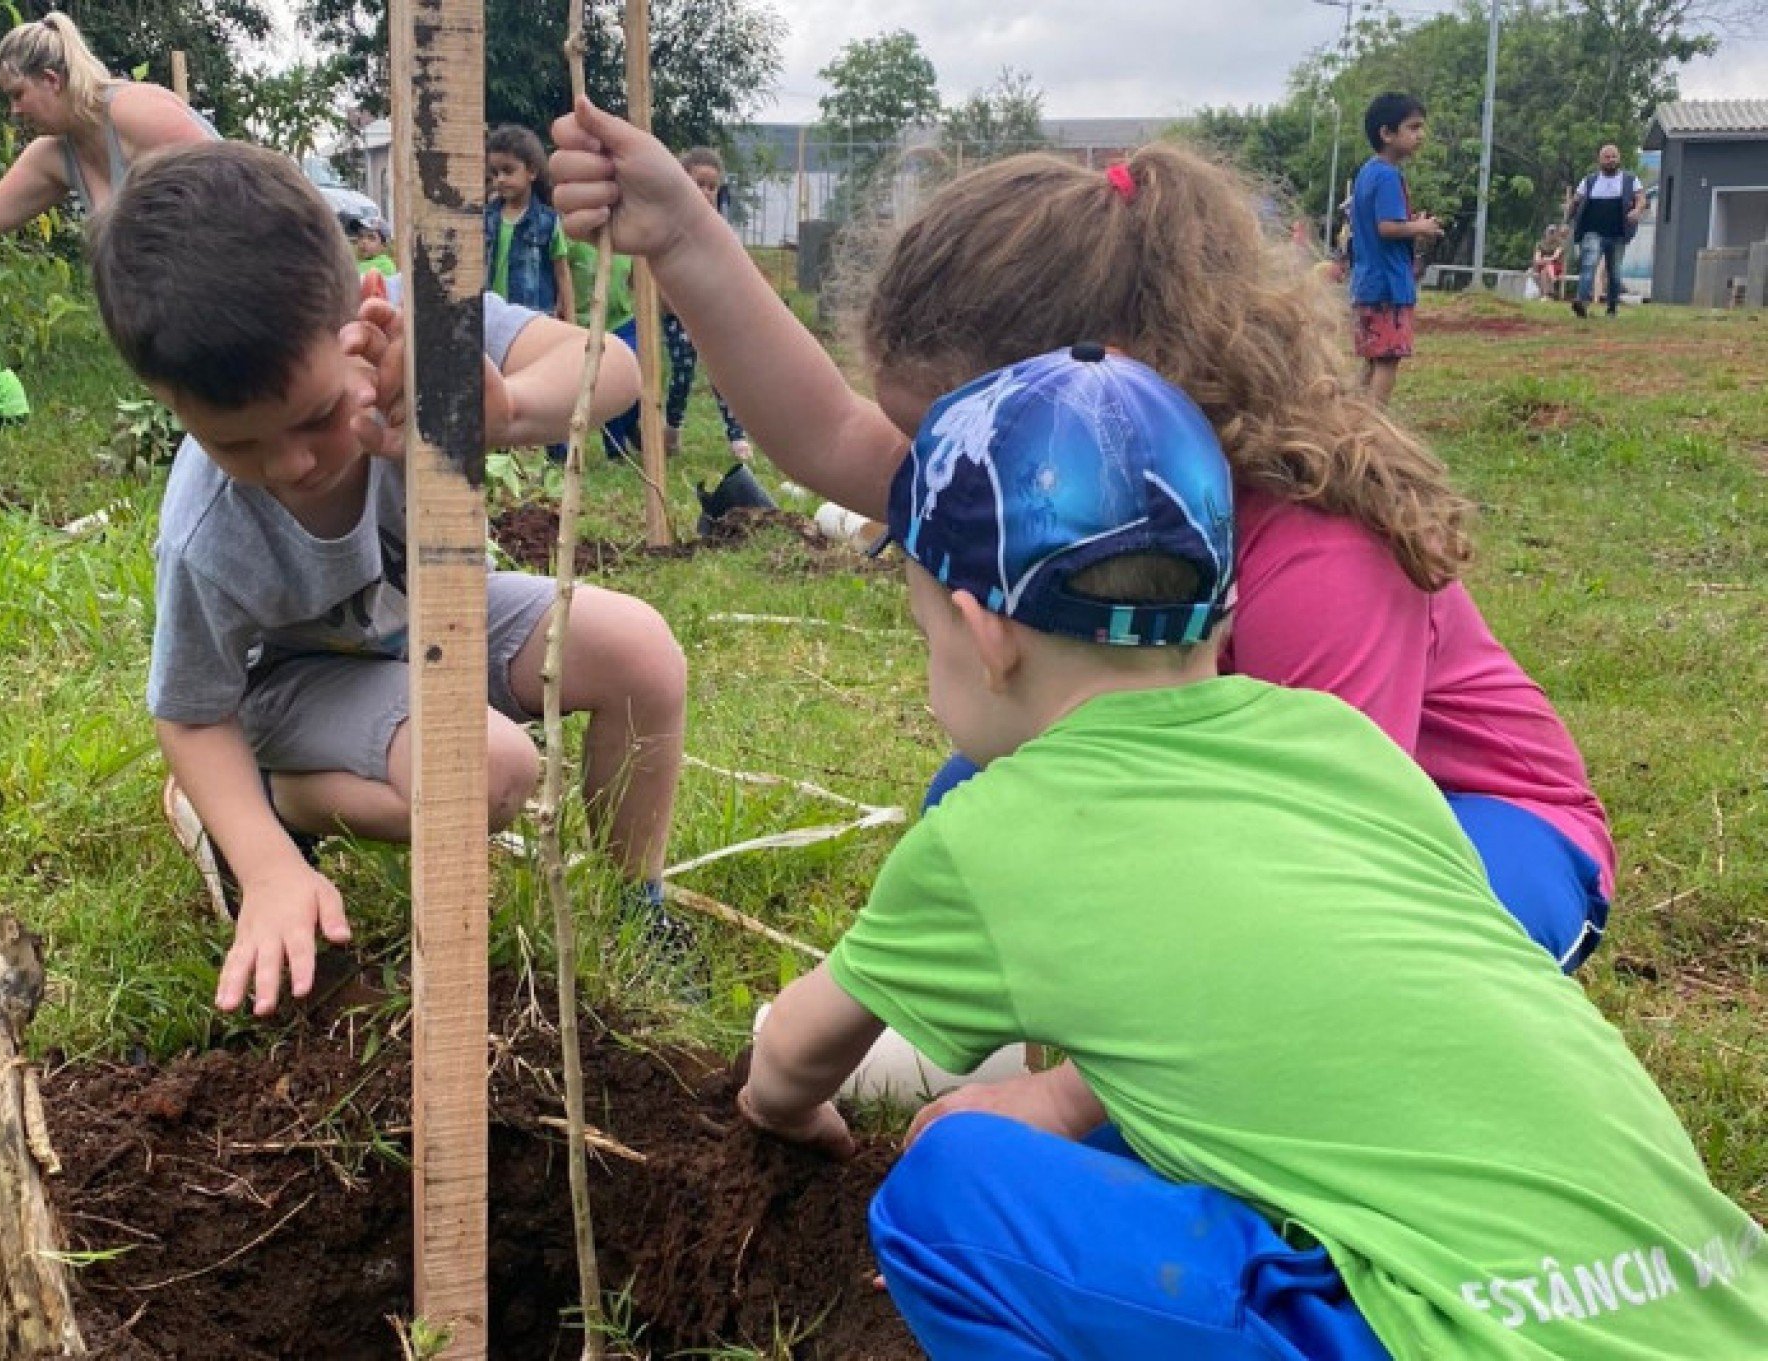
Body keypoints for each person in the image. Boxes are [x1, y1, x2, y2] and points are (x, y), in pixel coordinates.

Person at [731, 343, 1768, 1359]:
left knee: (950, 1187)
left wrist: (780, 1109)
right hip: (1719, 1301)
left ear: (983, 632)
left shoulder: (989, 833)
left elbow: (793, 1055)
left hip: (1457, 1334)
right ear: (1224, 606)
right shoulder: (1341, 743)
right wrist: (1055, 1098)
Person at [550, 108, 1614, 973]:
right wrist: (685, 235)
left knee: (1408, 971)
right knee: (970, 803)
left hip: (1456, 830)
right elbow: (827, 432)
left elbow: (1326, 867)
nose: (933, 477)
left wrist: (1075, 1094)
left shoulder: (1313, 556)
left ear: (1114, 384)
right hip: (1220, 804)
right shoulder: (1031, 478)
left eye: (948, 439)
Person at [88, 142, 684, 1016]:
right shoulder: (209, 530)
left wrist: (499, 406)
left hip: (442, 619)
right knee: (491, 769)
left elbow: (615, 372)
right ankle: (275, 804)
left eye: (318, 416)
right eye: (235, 442)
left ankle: (635, 907)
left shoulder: (425, 327)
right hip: (299, 687)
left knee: (641, 651)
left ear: (365, 311)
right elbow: (190, 708)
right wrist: (267, 867)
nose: (288, 462)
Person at [0, 13, 214, 276]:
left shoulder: (134, 111)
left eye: (18, 95)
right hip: (174, 314)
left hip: (234, 283)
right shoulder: (56, 155)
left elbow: (233, 186)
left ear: (51, 80)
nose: (14, 112)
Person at [1349, 92, 1442, 407]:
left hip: (1367, 282)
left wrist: (1410, 224)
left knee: (1372, 358)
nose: (1420, 135)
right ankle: (1374, 427)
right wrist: (1421, 228)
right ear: (1387, 134)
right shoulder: (1389, 175)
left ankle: (1351, 417)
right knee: (1388, 359)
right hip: (1389, 285)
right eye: (1413, 128)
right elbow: (1387, 227)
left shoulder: (1367, 172)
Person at [663, 148, 751, 462]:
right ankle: (671, 428)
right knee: (682, 374)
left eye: (712, 186)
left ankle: (737, 435)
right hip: (678, 314)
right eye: (698, 184)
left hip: (713, 312)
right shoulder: (669, 228)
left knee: (723, 374)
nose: (705, 192)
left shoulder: (721, 230)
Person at [485, 125, 573, 322]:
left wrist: (569, 317)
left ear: (531, 171)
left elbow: (562, 273)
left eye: (508, 171)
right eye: (495, 173)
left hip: (533, 319)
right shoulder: (486, 218)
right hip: (492, 316)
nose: (500, 179)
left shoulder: (548, 221)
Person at [565, 235, 642, 457]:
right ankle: (616, 449)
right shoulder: (573, 242)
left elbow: (635, 282)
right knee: (611, 386)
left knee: (638, 380)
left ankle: (630, 424)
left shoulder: (626, 242)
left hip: (624, 322)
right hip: (588, 326)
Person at [1566, 144, 1645, 318]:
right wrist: (1567, 220)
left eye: (1613, 157)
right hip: (1592, 231)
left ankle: (1611, 308)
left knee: (1614, 272)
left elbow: (1640, 198)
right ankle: (1581, 301)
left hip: (1618, 233)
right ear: (1599, 160)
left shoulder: (1630, 180)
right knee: (1589, 264)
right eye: (1607, 157)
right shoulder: (1589, 181)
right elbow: (1576, 201)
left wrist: (1637, 211)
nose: (1610, 160)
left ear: (1619, 158)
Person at [339, 202, 397, 278]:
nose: (364, 242)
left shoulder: (385, 265)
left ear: (383, 245)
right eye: (360, 236)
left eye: (371, 238)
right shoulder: (354, 263)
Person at [1529, 223, 1569, 301]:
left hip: (1556, 267)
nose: (1551, 234)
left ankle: (1546, 294)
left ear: (1556, 233)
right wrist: (1544, 260)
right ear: (1546, 232)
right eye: (1550, 232)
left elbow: (1555, 257)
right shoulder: (1540, 244)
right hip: (1543, 265)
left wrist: (1545, 259)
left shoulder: (1559, 244)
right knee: (1531, 271)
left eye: (1553, 232)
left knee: (1544, 271)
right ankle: (1547, 293)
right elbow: (1537, 258)